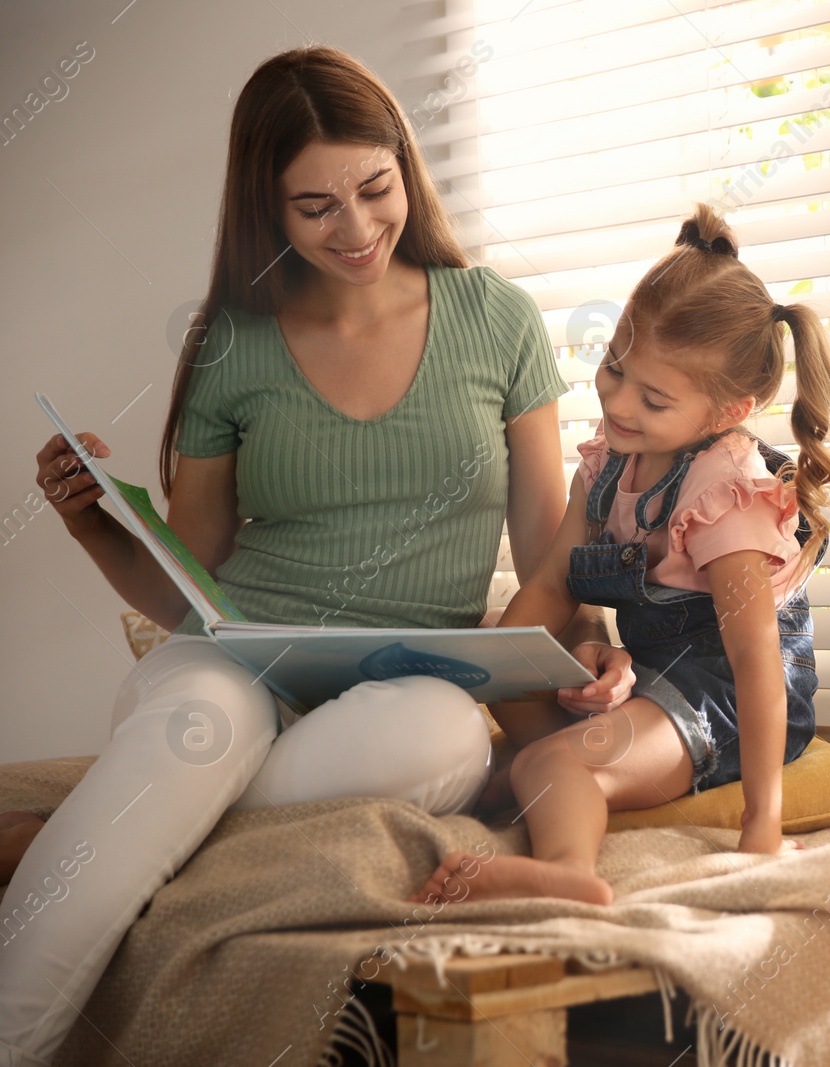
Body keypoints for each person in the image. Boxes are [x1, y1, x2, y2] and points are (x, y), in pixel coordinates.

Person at [0, 46, 632, 1066]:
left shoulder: (498, 320)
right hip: (235, 658)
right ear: (265, 207)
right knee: (203, 725)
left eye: (374, 190)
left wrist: (594, 639)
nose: (356, 228)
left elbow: (542, 541)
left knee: (439, 731)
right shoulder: (232, 338)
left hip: (410, 683)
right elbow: (188, 577)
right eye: (314, 206)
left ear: (405, 171)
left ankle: (83, 829)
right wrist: (91, 523)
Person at [410, 203, 830, 908]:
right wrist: (483, 674)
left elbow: (758, 662)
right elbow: (551, 585)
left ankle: (571, 870)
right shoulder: (608, 465)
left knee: (551, 761)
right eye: (615, 365)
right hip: (648, 683)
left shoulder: (723, 491)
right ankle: (558, 769)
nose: (618, 399)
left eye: (655, 396)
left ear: (729, 410)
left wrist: (762, 825)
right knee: (495, 634)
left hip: (722, 696)